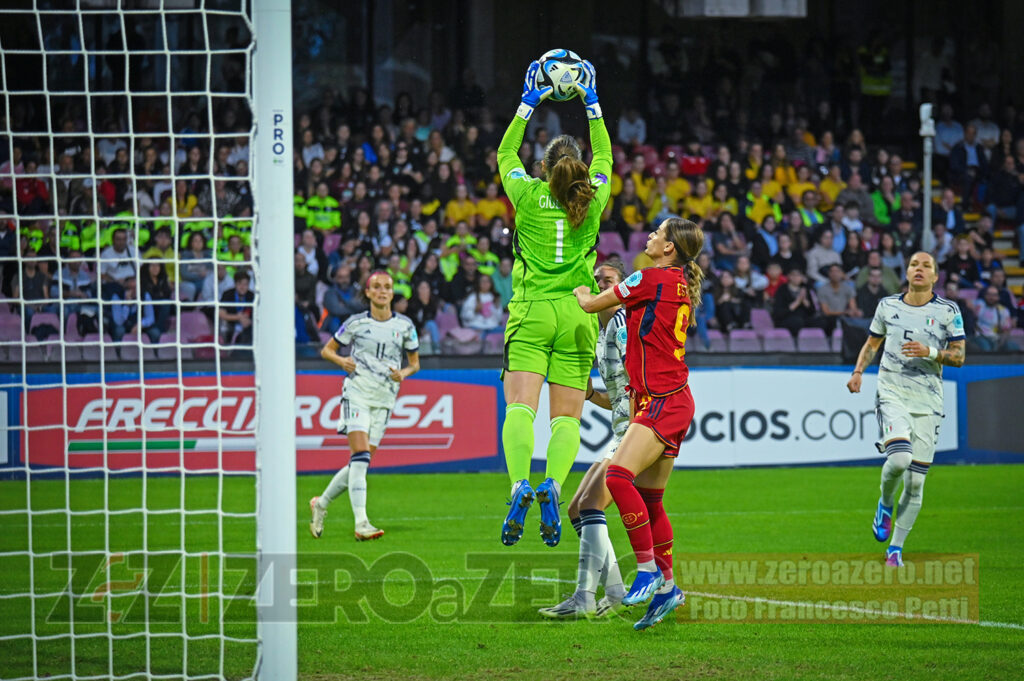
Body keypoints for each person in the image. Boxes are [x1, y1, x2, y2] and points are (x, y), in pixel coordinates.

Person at [495, 59, 611, 548]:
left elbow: (504, 152)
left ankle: (521, 482)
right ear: (581, 170)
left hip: (531, 312)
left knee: (520, 407)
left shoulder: (524, 194)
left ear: (543, 168)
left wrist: (528, 101)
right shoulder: (596, 199)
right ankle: (554, 487)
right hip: (577, 315)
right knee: (567, 418)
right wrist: (592, 100)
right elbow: (605, 154)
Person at [573, 217, 703, 631]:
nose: (650, 236)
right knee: (651, 501)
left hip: (661, 401)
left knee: (616, 477)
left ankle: (646, 571)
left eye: (658, 233)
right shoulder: (675, 281)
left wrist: (578, 287)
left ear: (669, 248)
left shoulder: (650, 277)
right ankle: (668, 590)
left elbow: (592, 305)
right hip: (669, 398)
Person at [847, 252, 966, 567]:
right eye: (915, 264)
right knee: (899, 458)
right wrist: (858, 372)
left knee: (916, 482)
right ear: (908, 272)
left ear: (935, 276)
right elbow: (873, 343)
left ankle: (895, 549)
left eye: (926, 265)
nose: (919, 269)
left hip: (928, 399)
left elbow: (959, 356)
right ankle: (884, 505)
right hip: (892, 390)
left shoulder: (948, 311)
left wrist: (929, 351)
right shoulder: (888, 306)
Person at [539, 261, 629, 619]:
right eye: (597, 281)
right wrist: (592, 396)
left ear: (620, 288)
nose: (600, 285)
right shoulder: (601, 330)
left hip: (637, 430)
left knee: (591, 504)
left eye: (608, 281)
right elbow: (620, 395)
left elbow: (640, 380)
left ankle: (584, 597)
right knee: (578, 508)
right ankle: (617, 592)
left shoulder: (622, 323)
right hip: (622, 429)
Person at [310, 271, 420, 541]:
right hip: (357, 393)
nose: (382, 291)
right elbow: (327, 350)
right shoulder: (356, 323)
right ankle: (362, 523)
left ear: (392, 293)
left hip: (384, 399)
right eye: (377, 287)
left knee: (360, 463)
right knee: (360, 455)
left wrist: (403, 374)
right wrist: (342, 361)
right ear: (368, 293)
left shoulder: (405, 326)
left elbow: (415, 363)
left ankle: (321, 504)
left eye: (387, 287)